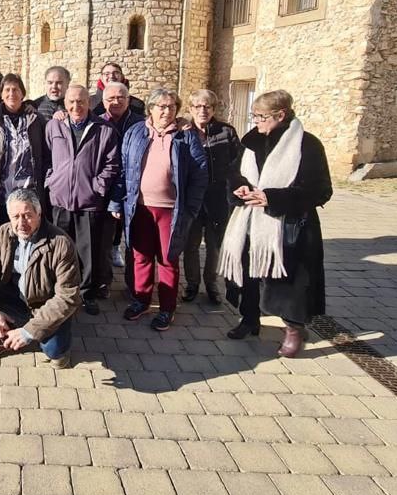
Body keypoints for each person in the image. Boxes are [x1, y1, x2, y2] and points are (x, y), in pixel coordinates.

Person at [219, 90, 332, 358]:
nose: (256, 121)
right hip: (250, 222)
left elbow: (320, 190)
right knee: (249, 273)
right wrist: (239, 188)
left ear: (280, 116)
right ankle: (249, 319)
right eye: (254, 115)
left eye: (261, 116)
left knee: (288, 281)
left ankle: (293, 329)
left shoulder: (307, 145)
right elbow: (234, 174)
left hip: (289, 227)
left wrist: (273, 197)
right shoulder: (251, 142)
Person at [110, 87, 207, 331]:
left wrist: (190, 210)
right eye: (161, 106)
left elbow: (200, 175)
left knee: (168, 259)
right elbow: (123, 169)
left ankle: (166, 308)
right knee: (140, 256)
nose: (166, 111)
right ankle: (141, 301)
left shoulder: (186, 136)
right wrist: (117, 200)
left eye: (172, 107)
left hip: (171, 210)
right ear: (150, 109)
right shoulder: (135, 132)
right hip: (140, 207)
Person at [0, 189, 81, 369]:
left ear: (39, 214)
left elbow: (68, 296)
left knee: (54, 351)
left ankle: (48, 336)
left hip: (44, 303)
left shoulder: (61, 243)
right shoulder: (3, 233)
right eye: (15, 217)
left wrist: (28, 332)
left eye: (27, 215)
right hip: (14, 297)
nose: (21, 223)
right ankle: (5, 333)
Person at [44, 85, 119, 315]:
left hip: (89, 202)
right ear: (65, 103)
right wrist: (52, 180)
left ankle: (86, 294)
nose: (76, 106)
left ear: (89, 103)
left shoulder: (104, 129)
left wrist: (97, 187)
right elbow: (46, 155)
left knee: (88, 251)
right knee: (59, 250)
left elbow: (112, 163)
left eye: (81, 101)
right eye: (72, 102)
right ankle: (60, 291)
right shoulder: (54, 125)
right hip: (60, 200)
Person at [182, 89, 242, 304]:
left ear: (214, 109)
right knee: (191, 244)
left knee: (215, 244)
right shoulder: (183, 131)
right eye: (197, 106)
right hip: (193, 197)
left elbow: (239, 163)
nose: (202, 110)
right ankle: (191, 284)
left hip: (218, 197)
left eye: (207, 106)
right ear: (190, 109)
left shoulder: (226, 131)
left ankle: (212, 285)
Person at [0, 73, 47, 234]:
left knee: (29, 236)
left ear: (23, 93)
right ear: (1, 94)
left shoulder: (35, 119)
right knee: (5, 239)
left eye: (15, 89)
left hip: (29, 193)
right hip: (1, 194)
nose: (11, 94)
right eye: (7, 90)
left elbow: (45, 152)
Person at [99, 81, 146, 277]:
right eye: (111, 98)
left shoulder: (142, 123)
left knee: (135, 241)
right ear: (103, 101)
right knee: (103, 239)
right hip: (105, 186)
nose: (116, 101)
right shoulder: (97, 122)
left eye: (121, 97)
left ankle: (133, 282)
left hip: (134, 187)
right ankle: (105, 280)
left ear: (129, 100)